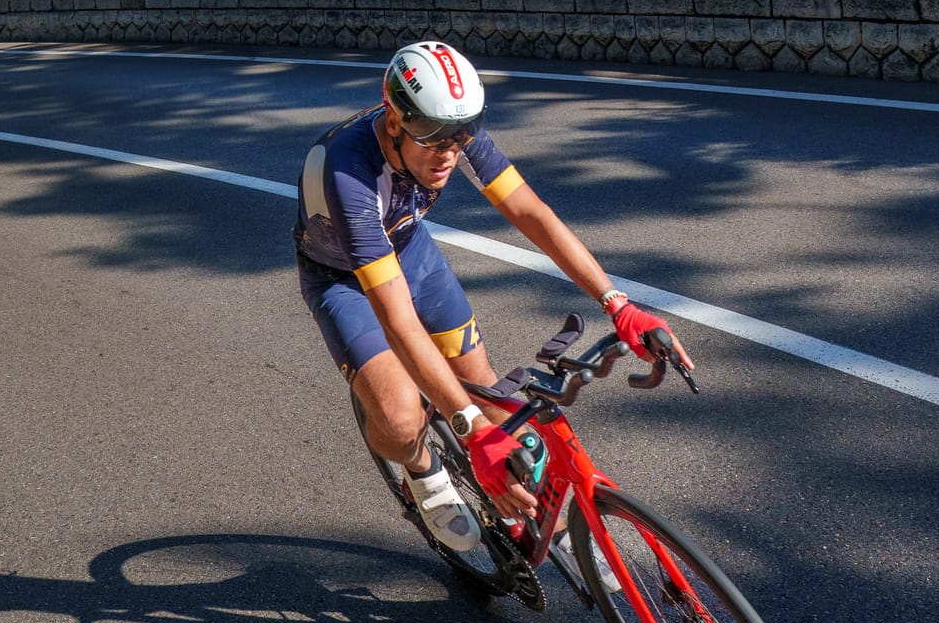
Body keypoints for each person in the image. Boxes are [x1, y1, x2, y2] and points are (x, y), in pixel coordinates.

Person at [294, 39, 693, 551]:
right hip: (341, 276)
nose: (448, 152)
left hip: (408, 248)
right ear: (394, 121)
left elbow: (531, 212)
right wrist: (470, 429)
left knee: (486, 389)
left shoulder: (450, 127)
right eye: (432, 138)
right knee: (401, 420)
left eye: (461, 135)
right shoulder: (348, 172)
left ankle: (552, 526)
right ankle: (421, 470)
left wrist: (617, 303)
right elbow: (397, 319)